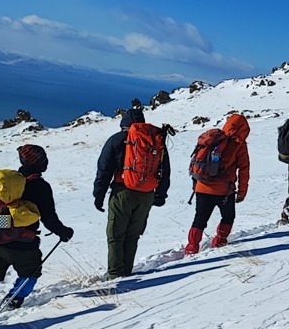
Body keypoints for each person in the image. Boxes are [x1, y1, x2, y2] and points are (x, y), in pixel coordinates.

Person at [0, 145, 74, 315]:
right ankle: (13, 300)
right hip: (23, 241)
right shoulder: (40, 186)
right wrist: (63, 232)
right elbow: (48, 218)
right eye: (43, 159)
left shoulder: (5, 184)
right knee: (31, 271)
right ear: (39, 163)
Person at [94, 106, 171, 278]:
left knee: (115, 234)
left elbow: (104, 170)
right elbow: (165, 170)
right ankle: (126, 272)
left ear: (124, 124)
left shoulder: (116, 140)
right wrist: (160, 194)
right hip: (146, 194)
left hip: (123, 192)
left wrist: (99, 196)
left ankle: (115, 275)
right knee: (132, 235)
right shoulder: (155, 141)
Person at [185, 113, 251, 254]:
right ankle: (220, 241)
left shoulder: (213, 138)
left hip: (202, 187)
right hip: (224, 191)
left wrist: (196, 184)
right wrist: (242, 192)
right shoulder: (239, 144)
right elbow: (244, 169)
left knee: (200, 218)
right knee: (228, 217)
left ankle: (191, 247)